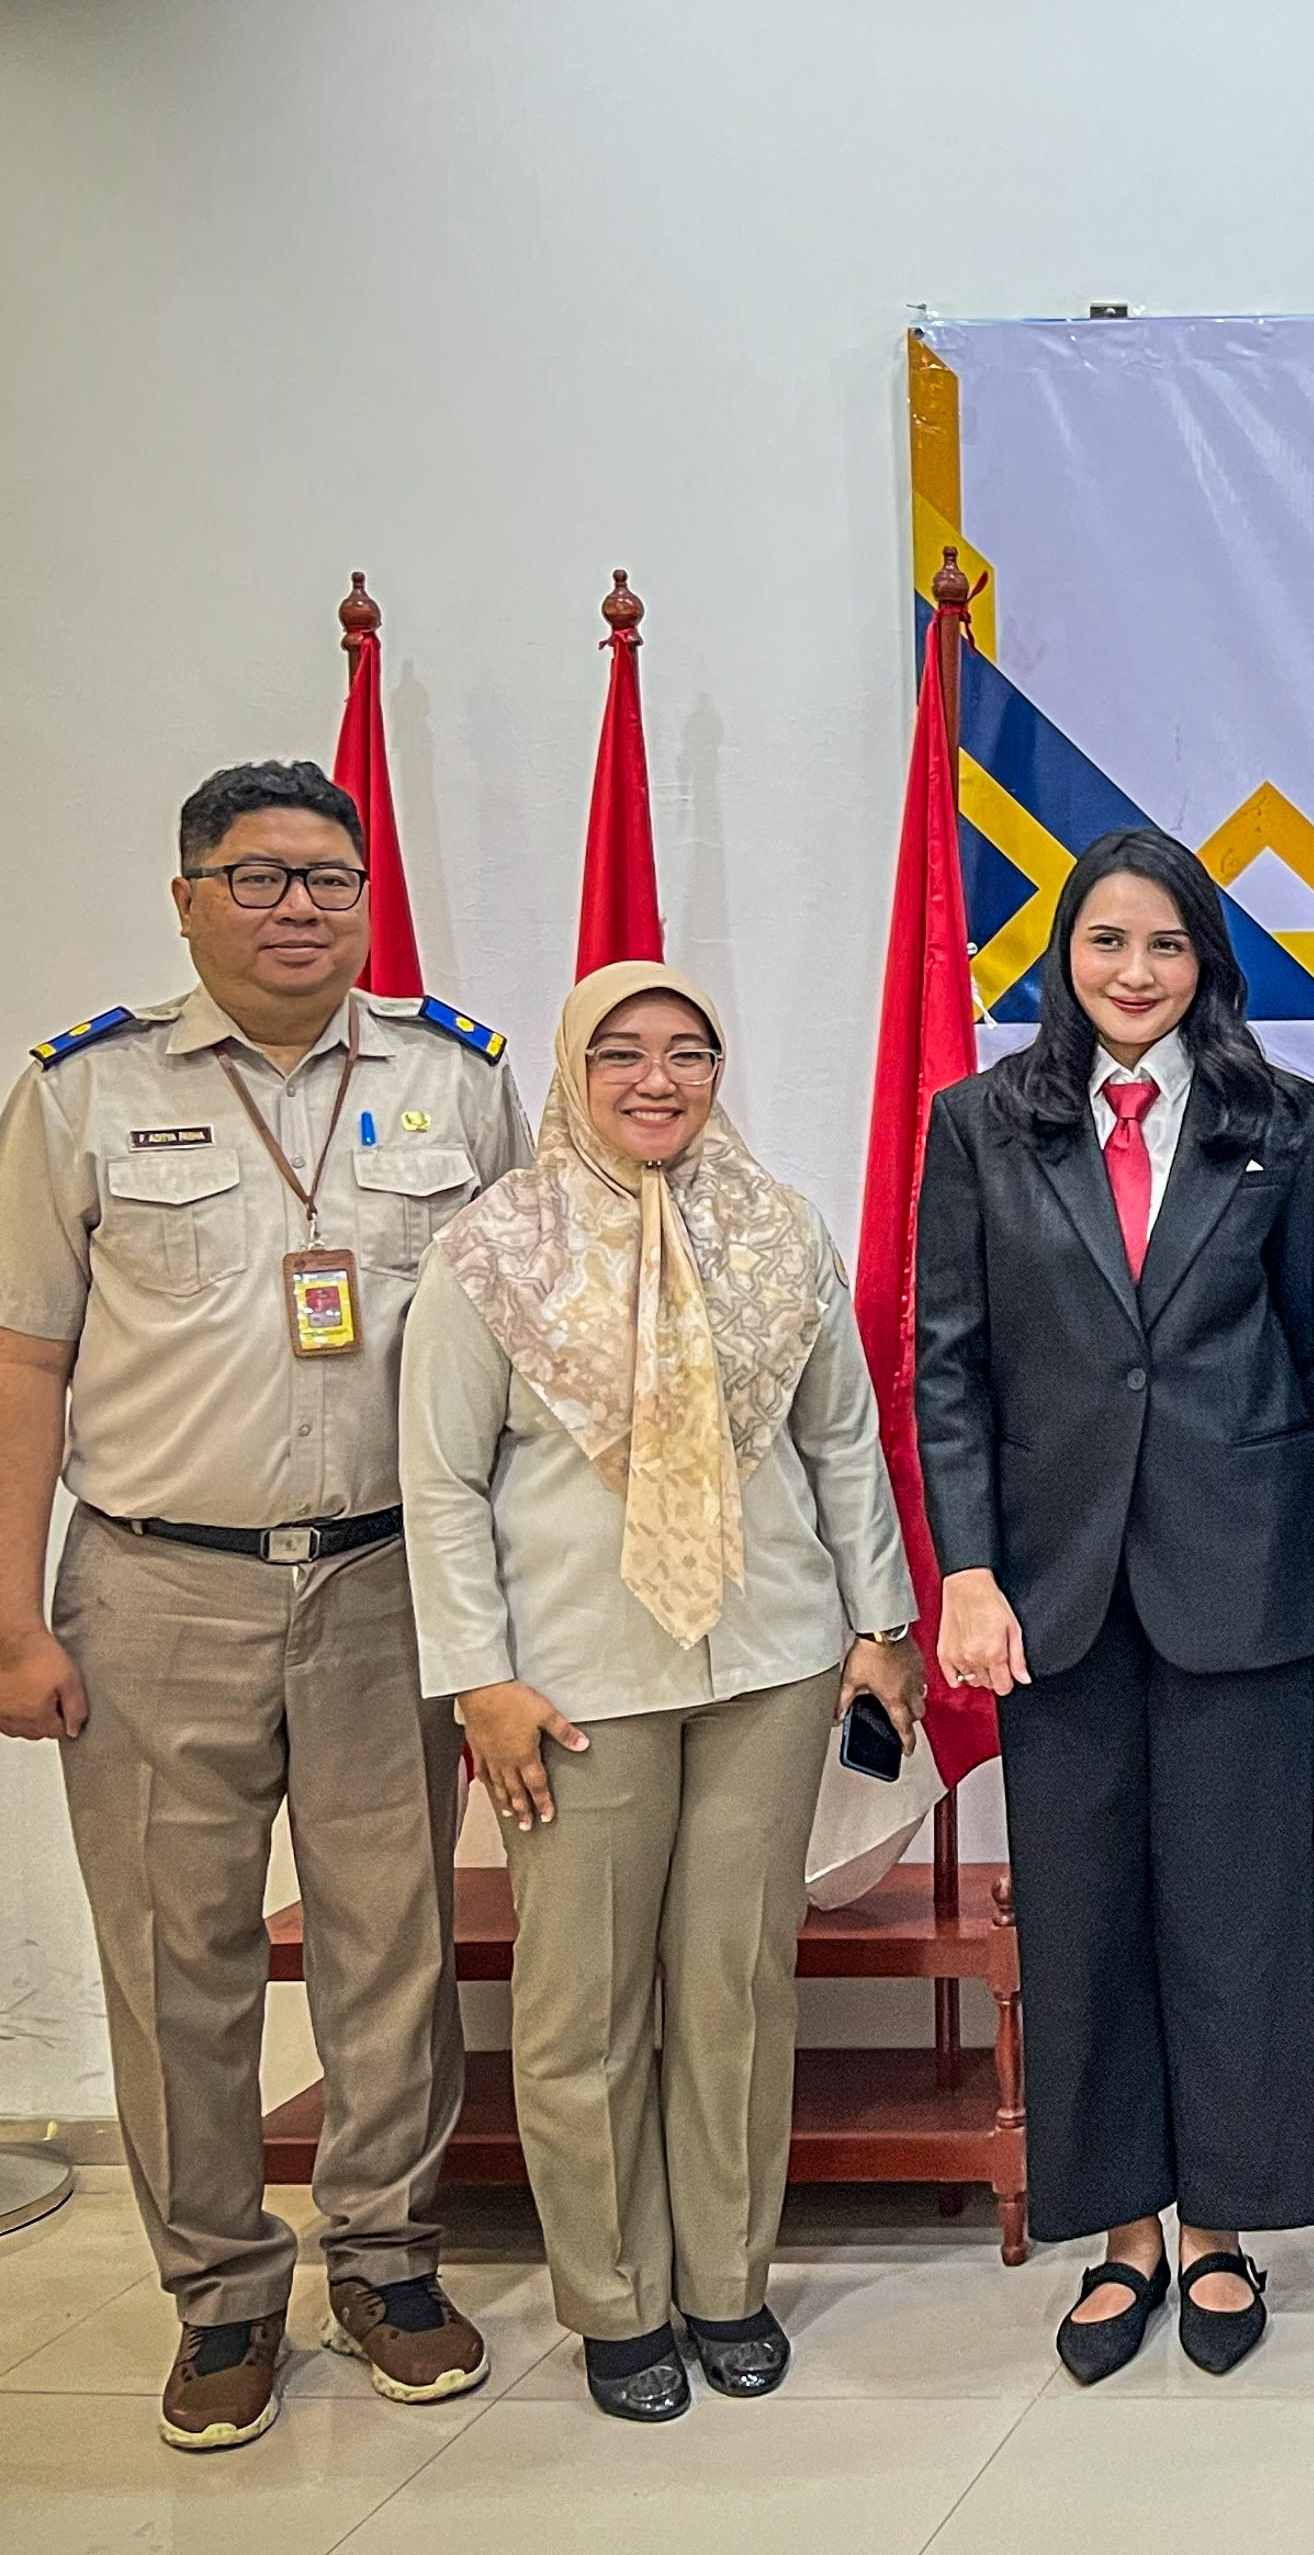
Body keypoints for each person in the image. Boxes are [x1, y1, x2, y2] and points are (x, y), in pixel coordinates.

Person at [0, 760, 524, 2451]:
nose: (295, 907)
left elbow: (529, 1355)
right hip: (157, 1587)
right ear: (183, 898)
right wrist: (14, 1613)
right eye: (256, 877)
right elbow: (23, 1365)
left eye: (325, 878)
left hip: (387, 1584)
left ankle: (385, 2259)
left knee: (393, 1946)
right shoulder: (83, 1098)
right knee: (179, 1962)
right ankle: (220, 2295)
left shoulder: (459, 1084)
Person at [402, 958, 926, 2422]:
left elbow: (844, 1443)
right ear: (574, 1071)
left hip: (768, 1663)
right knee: (578, 2006)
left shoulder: (778, 1234)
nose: (656, 1078)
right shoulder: (492, 1250)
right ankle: (617, 2304)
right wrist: (478, 1682)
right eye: (622, 1053)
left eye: (687, 1052)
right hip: (569, 1686)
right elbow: (439, 1484)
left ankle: (725, 2282)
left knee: (735, 1988)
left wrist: (881, 1626)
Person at [915, 828, 1314, 2384]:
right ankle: (1118, 2235)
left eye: (1166, 947)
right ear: (1063, 960)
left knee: (1239, 1916)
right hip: (1047, 1586)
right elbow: (951, 1367)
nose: (1134, 973)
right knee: (1086, 1911)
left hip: (1241, 1568)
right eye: (1106, 944)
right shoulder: (982, 1123)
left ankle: (1226, 2231)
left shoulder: (1287, 1123)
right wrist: (966, 1572)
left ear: (1207, 967)